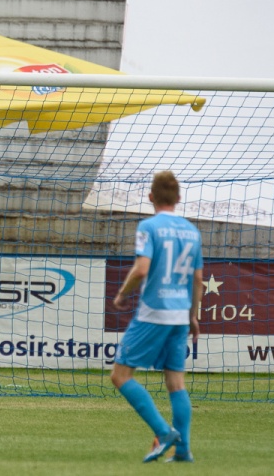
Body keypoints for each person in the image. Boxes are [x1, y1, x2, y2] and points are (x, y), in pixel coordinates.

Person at [111, 170, 202, 463]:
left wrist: (123, 293)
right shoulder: (192, 231)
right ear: (178, 198)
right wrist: (194, 315)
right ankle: (184, 450)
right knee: (176, 381)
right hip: (179, 313)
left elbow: (141, 269)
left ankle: (163, 433)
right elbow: (198, 279)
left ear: (150, 197)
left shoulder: (149, 227)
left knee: (120, 375)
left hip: (154, 311)